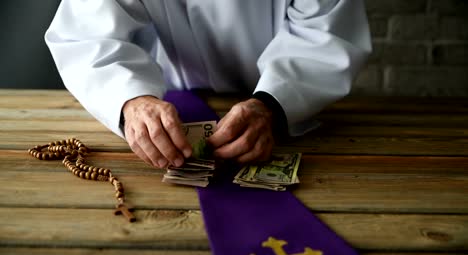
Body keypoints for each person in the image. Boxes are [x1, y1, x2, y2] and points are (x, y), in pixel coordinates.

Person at [45, 0, 371, 169]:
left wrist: (272, 103)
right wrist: (131, 101)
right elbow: (86, 35)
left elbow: (324, 31)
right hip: (176, 102)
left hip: (288, 100)